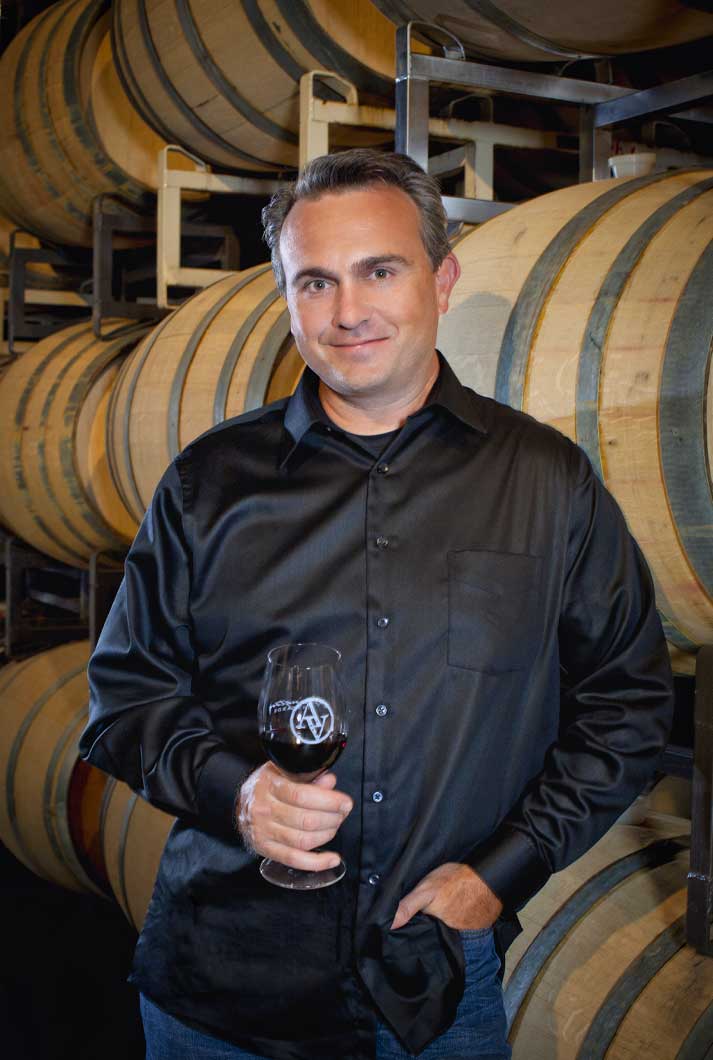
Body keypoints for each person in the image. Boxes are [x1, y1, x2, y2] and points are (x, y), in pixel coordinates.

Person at [80, 148, 674, 1060]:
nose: (347, 311)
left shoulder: (546, 480)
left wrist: (499, 874)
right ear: (284, 297)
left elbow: (626, 707)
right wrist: (236, 794)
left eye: (379, 270)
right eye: (313, 281)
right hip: (220, 987)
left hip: (430, 993)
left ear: (440, 278)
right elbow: (123, 703)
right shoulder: (210, 482)